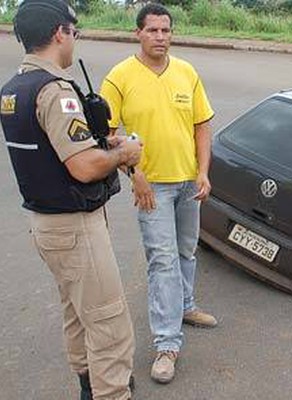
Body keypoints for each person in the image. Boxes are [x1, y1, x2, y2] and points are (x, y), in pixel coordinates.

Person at [0, 0, 143, 399]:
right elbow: (83, 167)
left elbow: (52, 149)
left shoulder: (13, 89)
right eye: (74, 32)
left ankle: (87, 384)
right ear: (61, 32)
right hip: (75, 226)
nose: (73, 40)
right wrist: (123, 154)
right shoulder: (55, 90)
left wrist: (102, 143)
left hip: (46, 225)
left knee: (77, 313)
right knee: (108, 322)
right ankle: (110, 392)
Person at [100, 2, 217, 384]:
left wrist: (203, 172)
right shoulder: (119, 78)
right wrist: (135, 174)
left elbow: (202, 125)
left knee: (186, 250)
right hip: (153, 188)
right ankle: (167, 345)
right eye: (152, 30)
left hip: (188, 183)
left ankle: (183, 306)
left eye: (166, 30)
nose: (160, 37)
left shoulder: (187, 72)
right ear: (138, 33)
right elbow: (108, 135)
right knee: (162, 261)